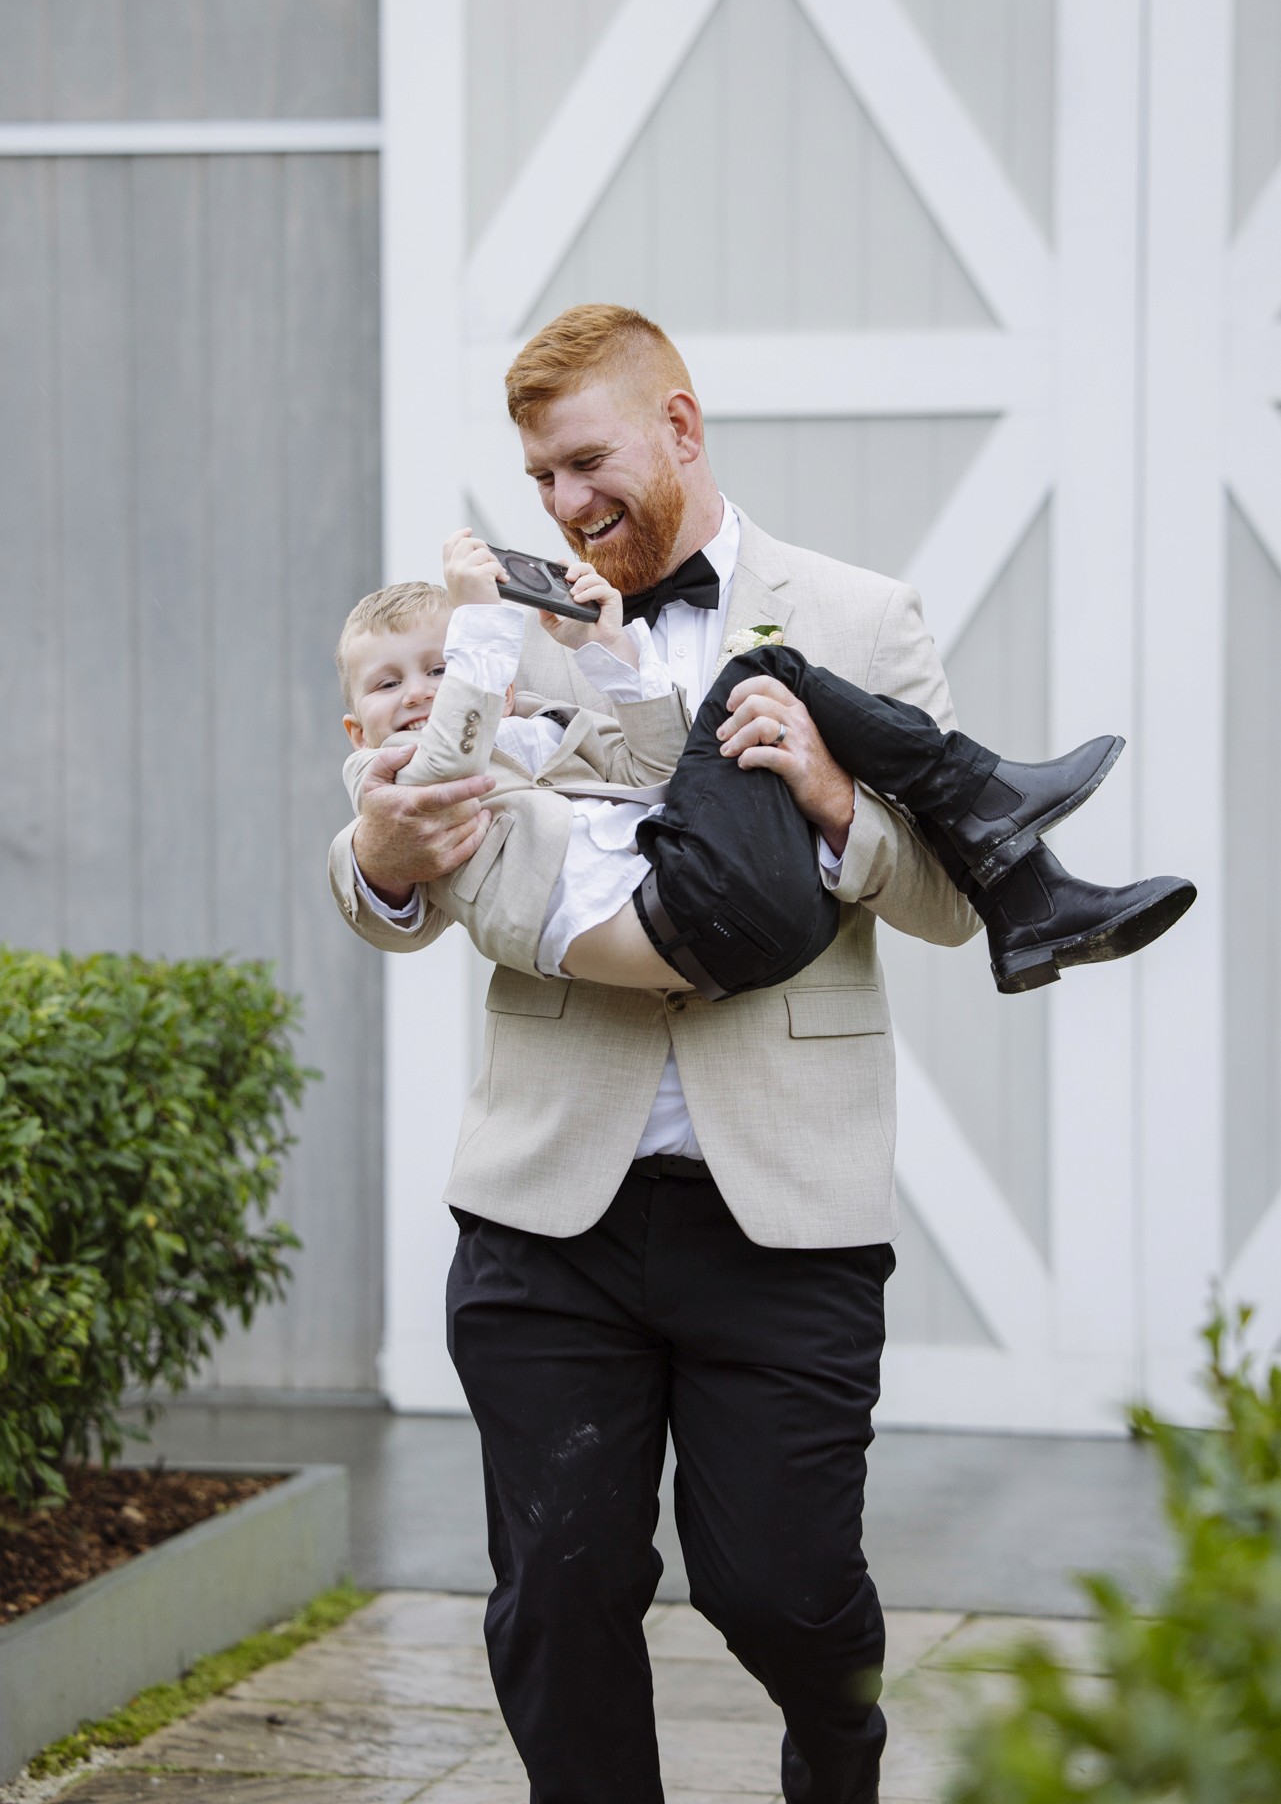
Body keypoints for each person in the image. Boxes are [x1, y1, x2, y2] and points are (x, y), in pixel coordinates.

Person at [326, 304, 1179, 1804]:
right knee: (563, 1591)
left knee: (780, 1589)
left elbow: (929, 901)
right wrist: (385, 855)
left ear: (681, 424)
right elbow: (397, 839)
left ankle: (836, 1738)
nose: (564, 505)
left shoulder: (862, 613)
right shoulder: (516, 621)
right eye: (536, 478)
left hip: (784, 1205)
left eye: (586, 462)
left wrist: (840, 803)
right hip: (548, 1207)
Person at [337, 537, 1193, 1000]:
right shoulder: (396, 775)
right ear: (354, 726)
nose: (418, 694)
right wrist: (478, 628)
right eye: (388, 681)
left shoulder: (532, 727)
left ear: (677, 424)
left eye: (439, 668)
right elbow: (438, 771)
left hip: (751, 924)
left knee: (759, 691)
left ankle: (1023, 892)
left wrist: (606, 650)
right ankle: (992, 809)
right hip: (667, 929)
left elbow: (668, 768)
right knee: (762, 674)